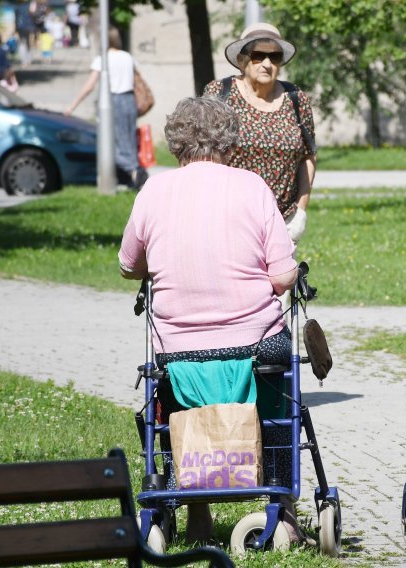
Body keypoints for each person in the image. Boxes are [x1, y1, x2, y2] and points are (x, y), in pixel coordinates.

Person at [118, 96, 312, 546]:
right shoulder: (252, 187)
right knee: (279, 399)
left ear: (176, 142)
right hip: (254, 349)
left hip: (180, 356)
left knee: (170, 408)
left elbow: (129, 265)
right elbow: (283, 276)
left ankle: (196, 514)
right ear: (229, 140)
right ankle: (281, 507)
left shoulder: (154, 191)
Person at [202, 23, 316, 248]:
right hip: (226, 220)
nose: (267, 63)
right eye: (258, 56)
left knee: (278, 282)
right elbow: (201, 155)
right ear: (243, 60)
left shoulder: (296, 98)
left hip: (281, 222)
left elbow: (308, 155)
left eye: (274, 57)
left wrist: (301, 210)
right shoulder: (220, 93)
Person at [65, 27, 147, 190]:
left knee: (110, 140)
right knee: (128, 139)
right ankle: (128, 174)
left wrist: (72, 106)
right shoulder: (128, 57)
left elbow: (89, 86)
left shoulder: (102, 59)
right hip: (129, 100)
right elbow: (138, 80)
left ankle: (135, 172)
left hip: (112, 101)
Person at [14, 0, 36, 65]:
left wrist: (15, 28)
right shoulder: (29, 5)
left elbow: (16, 19)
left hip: (20, 27)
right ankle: (28, 58)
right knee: (28, 43)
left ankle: (24, 60)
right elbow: (33, 15)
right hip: (29, 27)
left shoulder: (17, 8)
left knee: (22, 42)